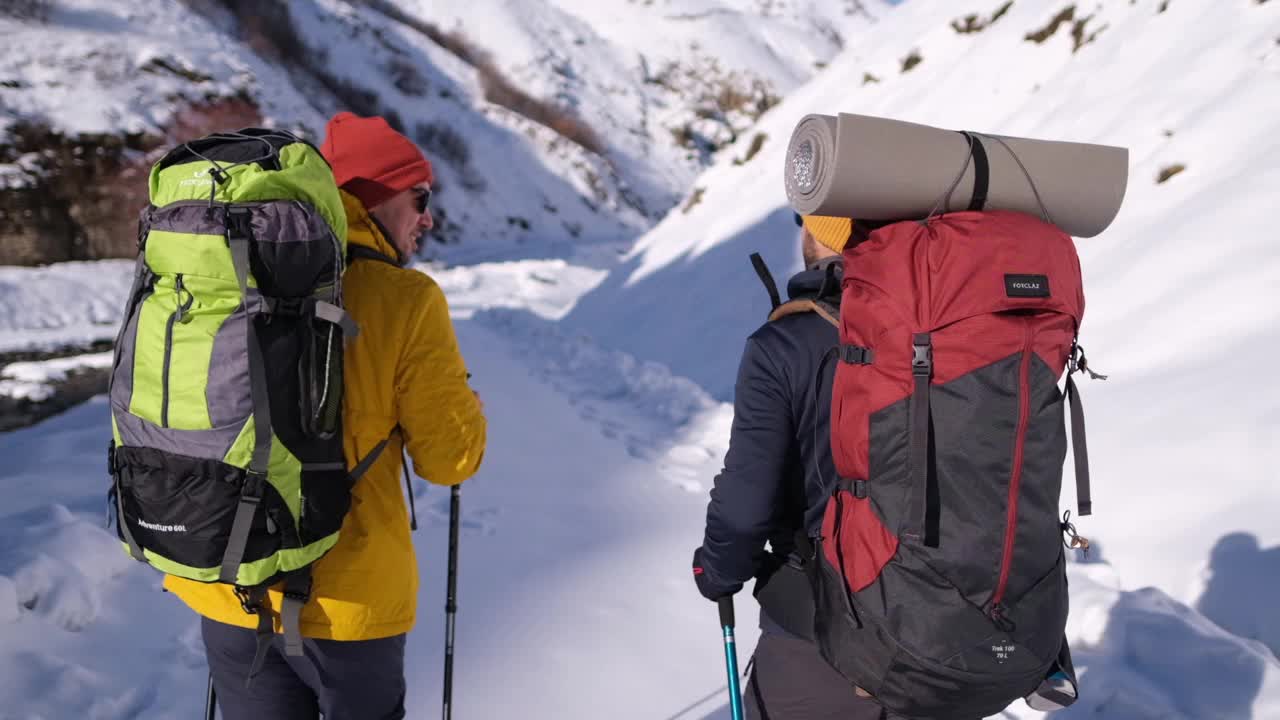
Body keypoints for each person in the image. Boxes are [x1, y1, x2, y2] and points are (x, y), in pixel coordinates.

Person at [166, 111, 487, 720]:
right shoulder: (407, 300)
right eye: (418, 196)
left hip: (230, 585)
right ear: (372, 198)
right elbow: (449, 461)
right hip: (348, 606)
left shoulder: (235, 274)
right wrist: (465, 406)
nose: (428, 216)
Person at [692, 213, 889, 719]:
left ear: (815, 234)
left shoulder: (781, 345)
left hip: (821, 633)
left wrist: (717, 570)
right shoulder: (940, 330)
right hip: (942, 629)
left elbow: (745, 503)